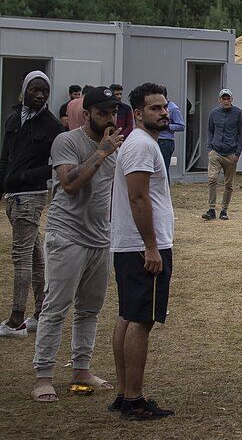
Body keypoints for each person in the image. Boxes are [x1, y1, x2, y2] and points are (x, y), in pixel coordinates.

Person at [33, 87, 126, 402]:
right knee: (56, 307)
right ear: (87, 114)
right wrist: (101, 152)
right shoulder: (67, 141)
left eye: (113, 112)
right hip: (67, 234)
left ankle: (81, 369)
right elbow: (70, 184)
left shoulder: (115, 145)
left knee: (90, 309)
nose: (110, 118)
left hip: (100, 237)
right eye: (103, 113)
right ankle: (43, 375)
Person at [110, 83, 175, 420]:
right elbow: (138, 197)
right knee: (141, 320)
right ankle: (134, 399)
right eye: (154, 108)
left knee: (128, 315)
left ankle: (123, 394)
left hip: (133, 245)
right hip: (141, 247)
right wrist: (151, 247)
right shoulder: (139, 145)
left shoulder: (142, 143)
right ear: (137, 113)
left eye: (164, 107)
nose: (162, 112)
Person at [0, 71, 59, 339]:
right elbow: (5, 157)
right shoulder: (14, 119)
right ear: (25, 90)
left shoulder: (52, 126)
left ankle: (15, 320)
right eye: (35, 90)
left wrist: (25, 177)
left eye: (45, 91)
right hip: (12, 196)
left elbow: (56, 166)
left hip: (30, 196)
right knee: (35, 254)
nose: (40, 95)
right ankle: (40, 313)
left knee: (20, 257)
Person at [202, 89, 242, 222]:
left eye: (228, 99)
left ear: (231, 99)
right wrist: (209, 148)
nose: (226, 101)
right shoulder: (214, 114)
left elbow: (241, 134)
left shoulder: (238, 113)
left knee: (229, 184)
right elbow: (210, 131)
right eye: (223, 99)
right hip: (216, 152)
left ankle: (224, 210)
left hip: (231, 154)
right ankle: (211, 209)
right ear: (219, 100)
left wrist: (237, 153)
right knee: (212, 179)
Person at [155, 86, 184, 168]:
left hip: (166, 141)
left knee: (163, 168)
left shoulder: (173, 108)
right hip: (155, 139)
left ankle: (166, 181)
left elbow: (181, 126)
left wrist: (167, 126)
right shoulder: (156, 107)